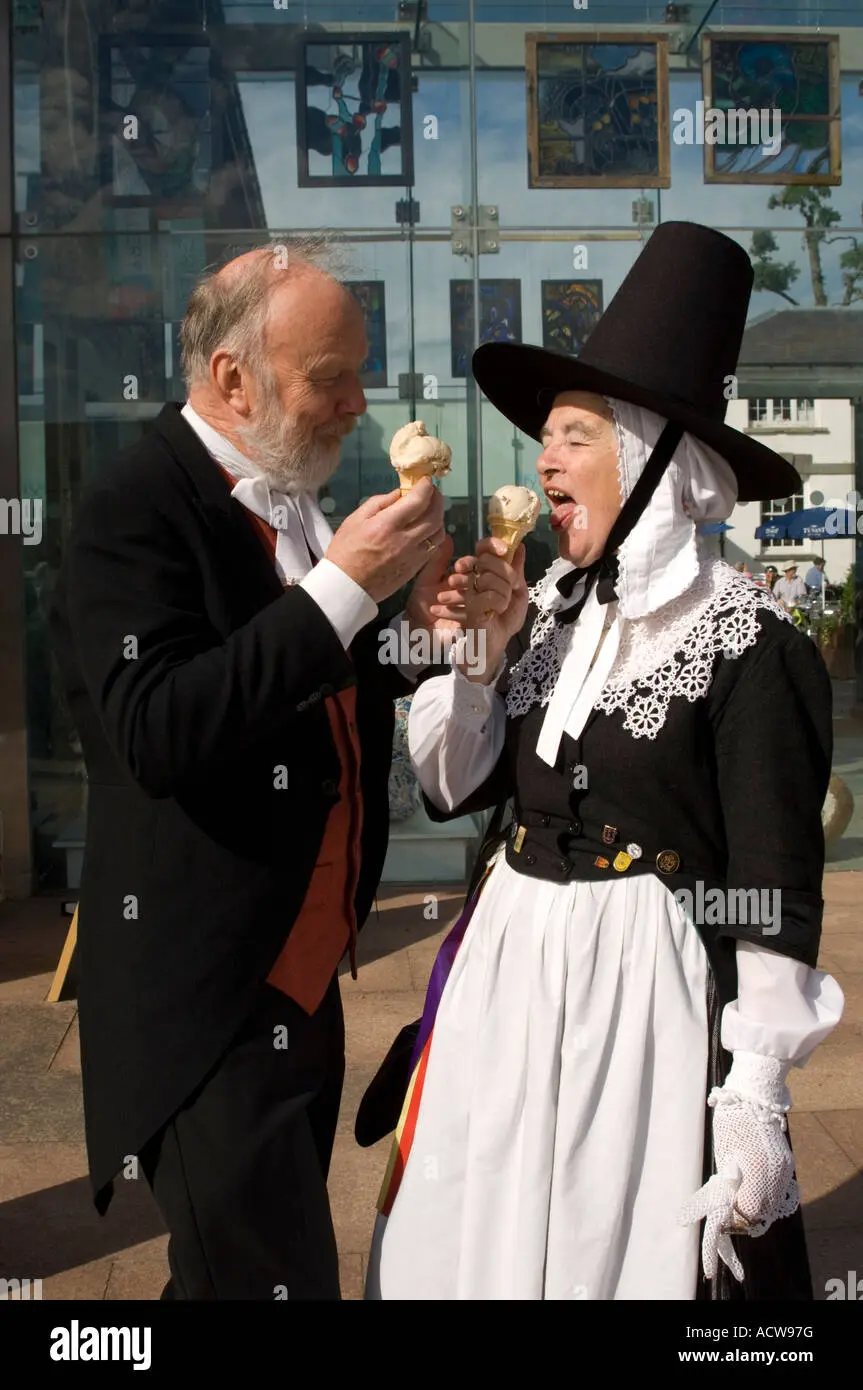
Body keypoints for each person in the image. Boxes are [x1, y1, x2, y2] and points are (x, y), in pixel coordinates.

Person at [365, 222, 843, 1301]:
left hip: (643, 1011)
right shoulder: (545, 611)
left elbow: (772, 885)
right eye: (546, 436)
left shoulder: (748, 646)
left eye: (572, 434)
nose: (541, 460)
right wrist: (475, 666)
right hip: (506, 988)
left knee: (609, 1250)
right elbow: (449, 786)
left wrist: (753, 1096)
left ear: (653, 455)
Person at [50, 240, 453, 1300]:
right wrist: (343, 590)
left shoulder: (288, 497)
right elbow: (158, 729)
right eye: (332, 377)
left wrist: (426, 628)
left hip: (299, 980)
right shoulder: (132, 507)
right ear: (234, 379)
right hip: (206, 998)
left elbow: (324, 694)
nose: (359, 404)